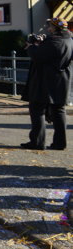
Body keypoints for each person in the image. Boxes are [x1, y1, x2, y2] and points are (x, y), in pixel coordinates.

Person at [21, 18, 73, 150]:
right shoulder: (69, 40)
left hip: (46, 81)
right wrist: (41, 43)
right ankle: (60, 143)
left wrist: (31, 46)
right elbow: (52, 54)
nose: (48, 28)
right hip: (62, 80)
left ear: (55, 28)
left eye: (49, 26)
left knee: (37, 109)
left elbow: (38, 55)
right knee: (59, 111)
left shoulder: (55, 41)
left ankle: (37, 142)